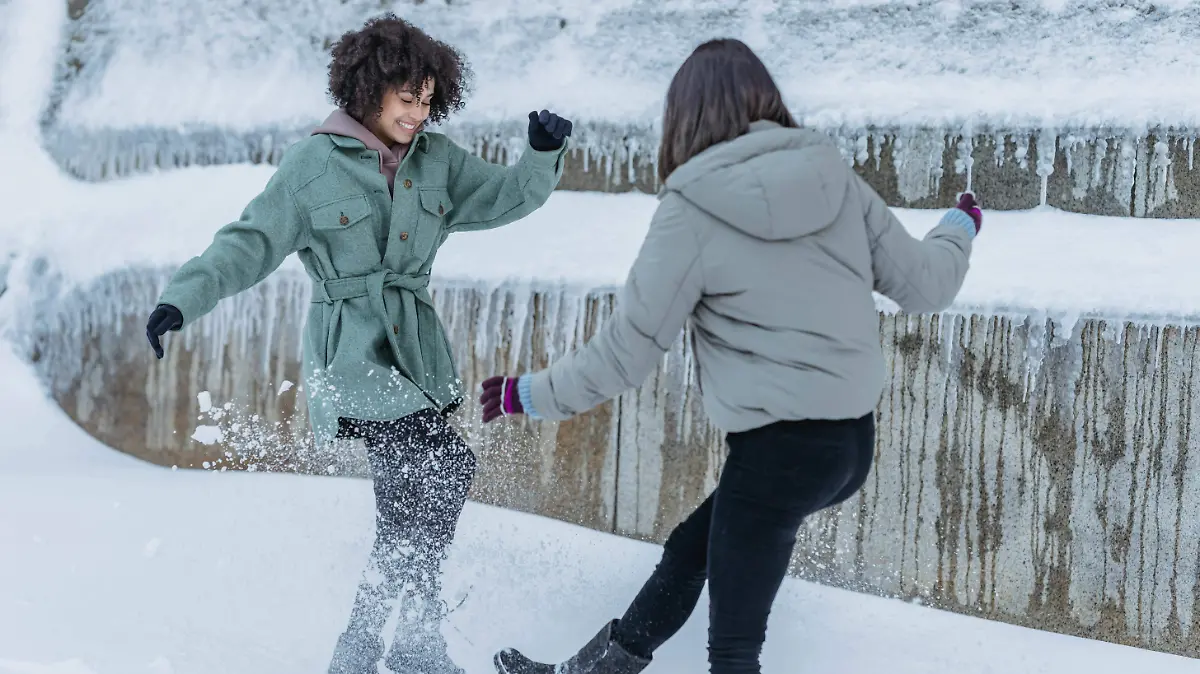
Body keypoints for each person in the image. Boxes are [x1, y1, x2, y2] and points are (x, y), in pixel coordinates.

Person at [478, 38, 980, 674]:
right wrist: (958, 229)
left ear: (683, 118)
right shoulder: (835, 180)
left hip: (775, 455)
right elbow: (928, 285)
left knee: (734, 652)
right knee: (693, 551)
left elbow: (628, 352)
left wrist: (532, 393)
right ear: (766, 101)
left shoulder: (690, 213)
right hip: (849, 447)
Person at [143, 14, 573, 674]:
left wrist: (540, 154)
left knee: (408, 509)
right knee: (447, 467)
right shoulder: (312, 165)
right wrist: (183, 297)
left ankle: (385, 645)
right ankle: (399, 641)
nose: (417, 115)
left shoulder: (438, 161)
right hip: (353, 359)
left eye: (428, 102)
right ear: (368, 90)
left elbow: (506, 198)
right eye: (407, 100)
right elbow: (250, 242)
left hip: (417, 359)